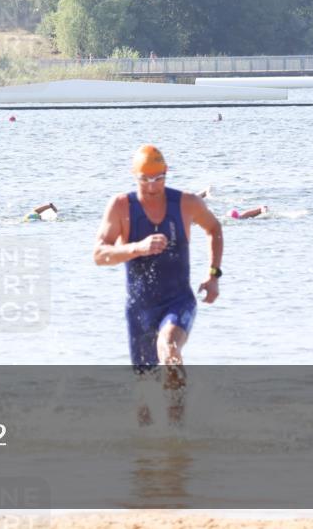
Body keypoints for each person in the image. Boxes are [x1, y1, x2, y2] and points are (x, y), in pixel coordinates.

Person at [93, 145, 223, 426]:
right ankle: (148, 457)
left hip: (178, 301)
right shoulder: (120, 206)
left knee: (169, 350)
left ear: (166, 174)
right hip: (139, 309)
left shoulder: (186, 203)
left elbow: (214, 228)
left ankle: (178, 432)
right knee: (145, 397)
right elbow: (99, 255)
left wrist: (213, 275)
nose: (152, 186)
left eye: (158, 178)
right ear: (134, 176)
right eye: (145, 179)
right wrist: (137, 248)